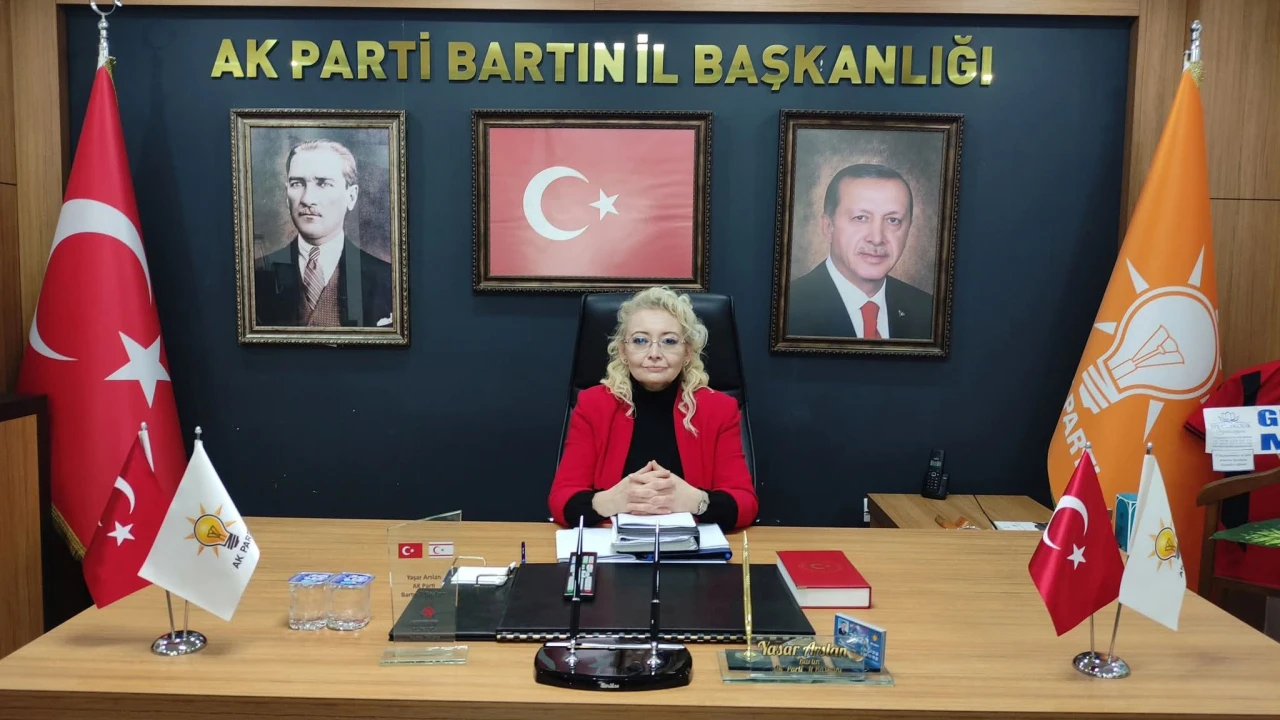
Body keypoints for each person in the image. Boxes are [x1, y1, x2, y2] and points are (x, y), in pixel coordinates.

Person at [548, 287, 759, 531]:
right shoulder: (593, 405)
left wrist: (696, 501)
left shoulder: (719, 410)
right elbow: (561, 499)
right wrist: (610, 501)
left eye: (669, 341)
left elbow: (746, 504)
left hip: (690, 546)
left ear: (688, 352)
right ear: (623, 351)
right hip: (609, 544)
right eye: (640, 340)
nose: (654, 354)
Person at [254, 139, 392, 328]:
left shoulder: (386, 278)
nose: (307, 198)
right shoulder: (256, 275)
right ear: (286, 195)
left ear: (351, 196)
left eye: (323, 183)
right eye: (297, 183)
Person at [786, 163, 933, 340]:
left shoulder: (928, 311)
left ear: (909, 228)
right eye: (861, 218)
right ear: (828, 227)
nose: (877, 238)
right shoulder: (788, 308)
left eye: (893, 220)